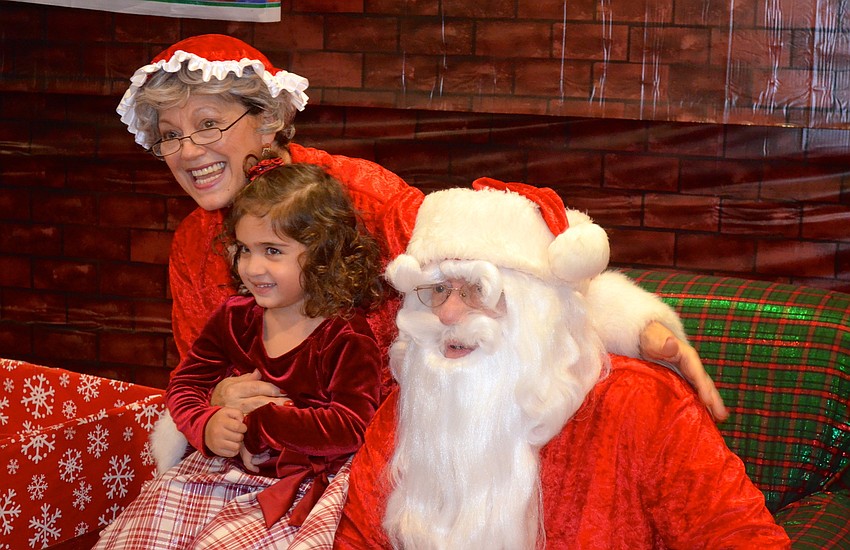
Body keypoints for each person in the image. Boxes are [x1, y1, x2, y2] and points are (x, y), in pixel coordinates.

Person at [116, 34, 727, 470]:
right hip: (261, 456)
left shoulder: (355, 194)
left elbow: (489, 250)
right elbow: (201, 364)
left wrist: (629, 323)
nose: (188, 151)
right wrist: (214, 403)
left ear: (269, 120)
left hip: (389, 446)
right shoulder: (191, 243)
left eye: (208, 124)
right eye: (169, 135)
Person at [333, 180, 790, 549]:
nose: (449, 314)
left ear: (539, 310)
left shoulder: (639, 404)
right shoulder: (413, 407)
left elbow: (743, 539)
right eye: (436, 290)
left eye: (477, 289)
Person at [95, 161, 384, 549]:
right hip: (217, 472)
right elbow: (185, 385)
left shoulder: (345, 335)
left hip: (293, 489)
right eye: (245, 249)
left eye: (272, 251)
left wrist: (261, 423)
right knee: (142, 537)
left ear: (323, 255)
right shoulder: (235, 317)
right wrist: (207, 424)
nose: (252, 267)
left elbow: (351, 426)